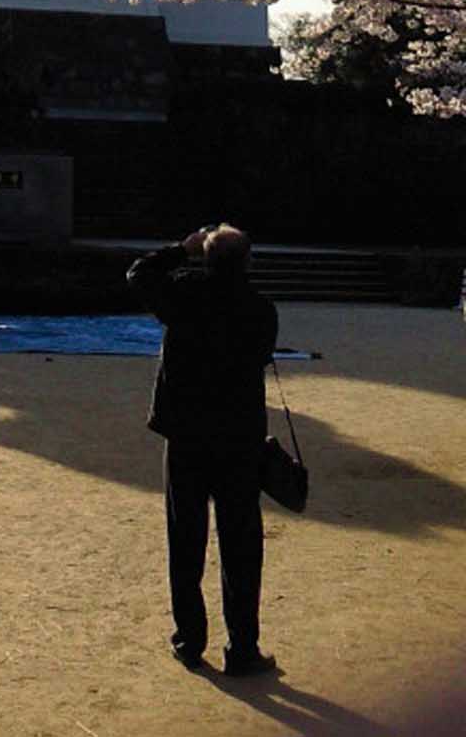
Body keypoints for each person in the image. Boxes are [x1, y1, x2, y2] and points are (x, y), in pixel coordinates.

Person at [128, 223, 279, 676]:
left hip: (188, 435)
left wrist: (181, 248)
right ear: (247, 262)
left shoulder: (183, 294)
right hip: (238, 438)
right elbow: (260, 356)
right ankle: (243, 647)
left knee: (186, 540)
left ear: (205, 257)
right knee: (241, 545)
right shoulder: (260, 309)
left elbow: (138, 274)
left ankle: (190, 640)